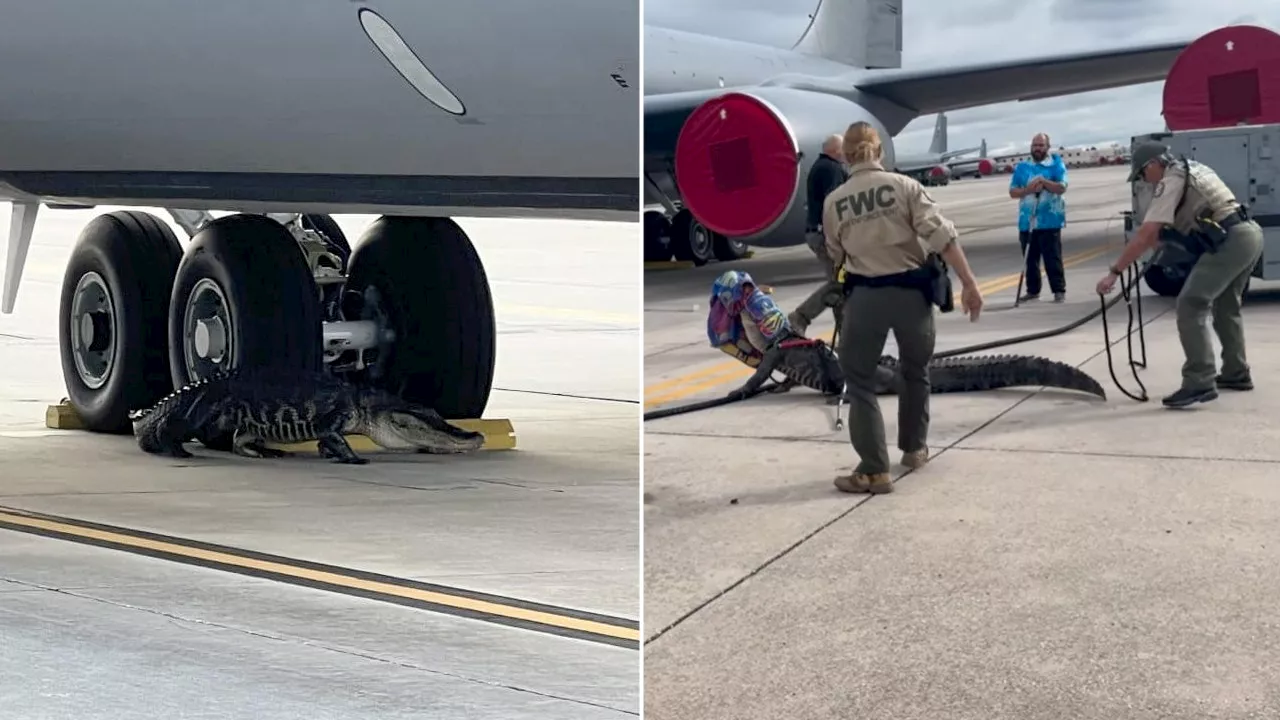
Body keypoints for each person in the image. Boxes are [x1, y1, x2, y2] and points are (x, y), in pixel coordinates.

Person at [822, 121, 983, 495]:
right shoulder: (907, 187)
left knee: (859, 380)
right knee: (915, 372)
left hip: (866, 299)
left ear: (845, 156)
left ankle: (874, 470)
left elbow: (836, 252)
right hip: (913, 296)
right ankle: (914, 449)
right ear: (879, 152)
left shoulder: (835, 201)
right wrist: (970, 284)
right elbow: (943, 236)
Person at [1095, 140, 1264, 408]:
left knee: (1190, 304)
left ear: (1154, 164)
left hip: (1229, 241)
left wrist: (1115, 272)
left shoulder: (1170, 180)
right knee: (1226, 306)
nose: (1144, 181)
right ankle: (1236, 372)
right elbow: (1180, 221)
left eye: (1141, 174)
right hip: (1248, 233)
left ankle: (1199, 381)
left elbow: (1147, 233)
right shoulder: (1192, 167)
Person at [789, 134, 851, 336]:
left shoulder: (820, 166)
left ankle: (845, 333)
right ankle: (801, 316)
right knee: (839, 283)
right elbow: (834, 204)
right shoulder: (831, 169)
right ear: (835, 151)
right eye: (843, 150)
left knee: (841, 283)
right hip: (825, 234)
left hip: (817, 232)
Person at [707, 269, 801, 395]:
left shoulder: (755, 304)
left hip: (777, 343)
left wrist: (747, 389)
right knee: (771, 350)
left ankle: (795, 374)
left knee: (772, 352)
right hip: (777, 341)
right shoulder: (746, 304)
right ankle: (795, 374)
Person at [1009, 133, 1069, 303]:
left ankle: (1059, 289)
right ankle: (1033, 290)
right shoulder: (1023, 167)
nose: (1037, 148)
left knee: (1053, 257)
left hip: (1050, 220)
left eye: (1041, 145)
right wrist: (1028, 190)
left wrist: (1044, 183)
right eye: (1035, 145)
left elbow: (1062, 187)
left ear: (1047, 147)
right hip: (1027, 221)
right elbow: (1013, 191)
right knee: (1030, 259)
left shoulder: (1056, 164)